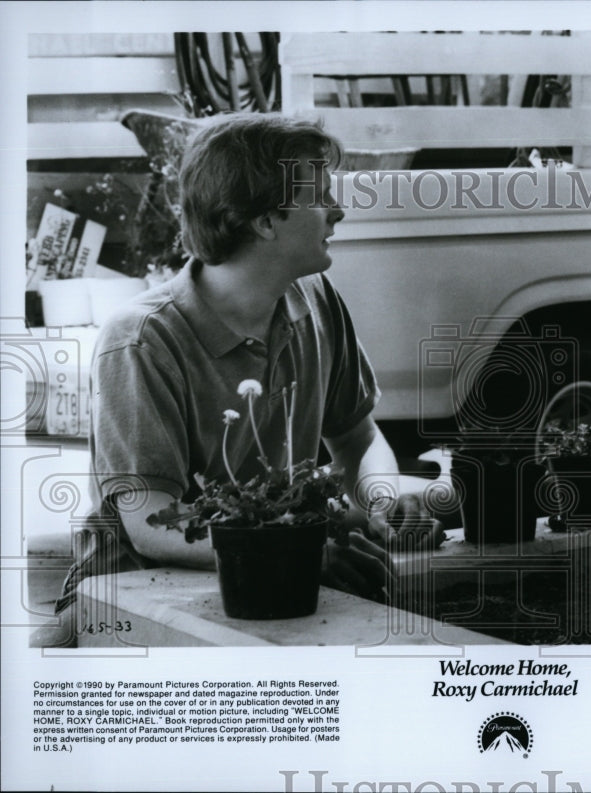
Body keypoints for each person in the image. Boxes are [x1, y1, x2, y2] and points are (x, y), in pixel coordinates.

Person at [55, 113, 437, 623]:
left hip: (272, 575)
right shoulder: (141, 341)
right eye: (319, 195)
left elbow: (357, 437)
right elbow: (149, 523)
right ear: (263, 220)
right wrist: (295, 555)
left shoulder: (317, 300)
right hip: (128, 594)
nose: (338, 210)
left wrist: (382, 502)